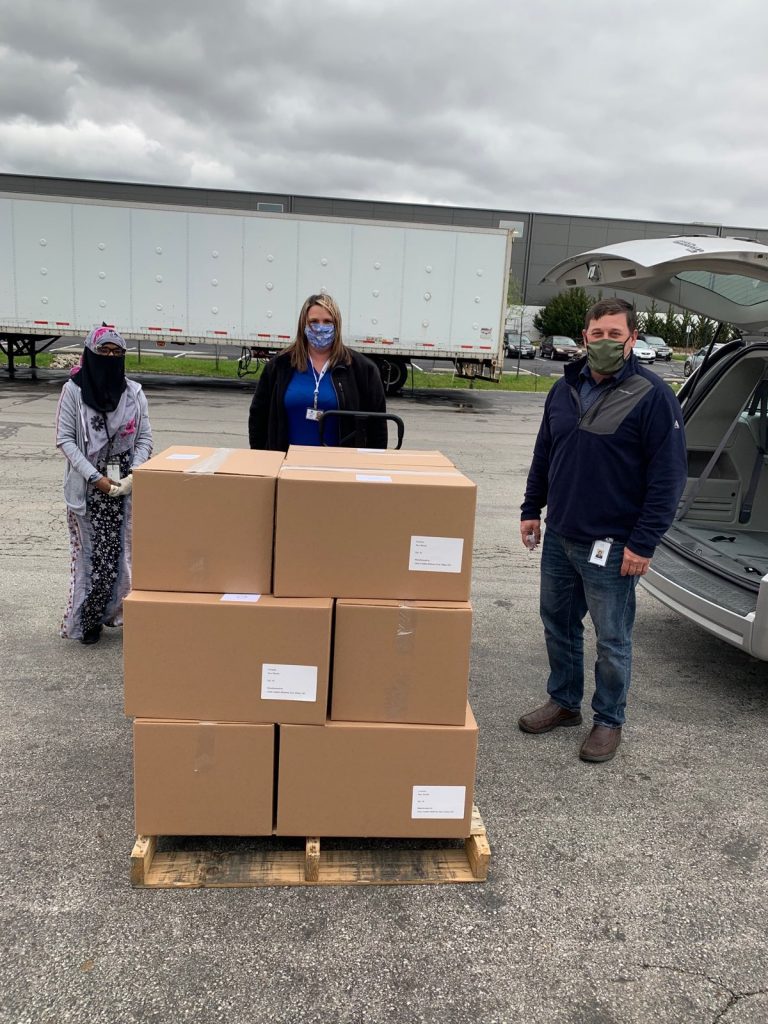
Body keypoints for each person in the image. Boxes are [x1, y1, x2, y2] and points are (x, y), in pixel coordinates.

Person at [518, 298, 687, 762]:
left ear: (633, 339)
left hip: (613, 546)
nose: (606, 342)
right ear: (585, 337)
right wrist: (532, 508)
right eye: (598, 334)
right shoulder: (563, 389)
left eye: (616, 335)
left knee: (612, 638)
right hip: (561, 535)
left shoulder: (653, 396)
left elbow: (668, 478)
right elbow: (544, 454)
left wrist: (643, 542)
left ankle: (608, 720)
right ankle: (564, 702)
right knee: (558, 624)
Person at [56, 326, 153, 645]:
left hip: (123, 484)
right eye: (103, 352)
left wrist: (133, 475)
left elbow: (144, 439)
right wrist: (95, 478)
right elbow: (65, 440)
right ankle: (87, 620)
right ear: (89, 354)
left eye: (117, 352)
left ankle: (113, 613)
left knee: (119, 554)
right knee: (91, 556)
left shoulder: (134, 393)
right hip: (88, 487)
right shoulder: (73, 391)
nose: (110, 358)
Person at [248, 293, 387, 451]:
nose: (321, 327)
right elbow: (258, 417)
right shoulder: (279, 366)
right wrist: (262, 459)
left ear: (337, 325)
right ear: (304, 325)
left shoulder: (362, 370)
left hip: (339, 469)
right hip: (286, 465)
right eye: (314, 321)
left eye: (327, 321)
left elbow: (378, 428)